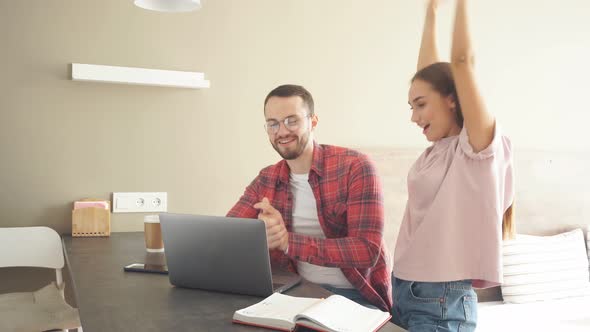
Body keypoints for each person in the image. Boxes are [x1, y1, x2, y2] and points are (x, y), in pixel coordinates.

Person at [390, 0, 515, 330]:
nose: (413, 117)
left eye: (420, 106)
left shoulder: (476, 150)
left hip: (441, 301)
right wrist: (430, 13)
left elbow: (462, 63)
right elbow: (429, 75)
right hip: (404, 289)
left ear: (452, 99)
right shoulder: (439, 149)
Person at [227, 84, 392, 311]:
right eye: (273, 123)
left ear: (313, 122)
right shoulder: (267, 179)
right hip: (294, 293)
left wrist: (287, 242)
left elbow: (367, 250)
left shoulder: (355, 166)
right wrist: (256, 235)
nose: (282, 131)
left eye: (291, 120)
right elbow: (228, 234)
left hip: (354, 298)